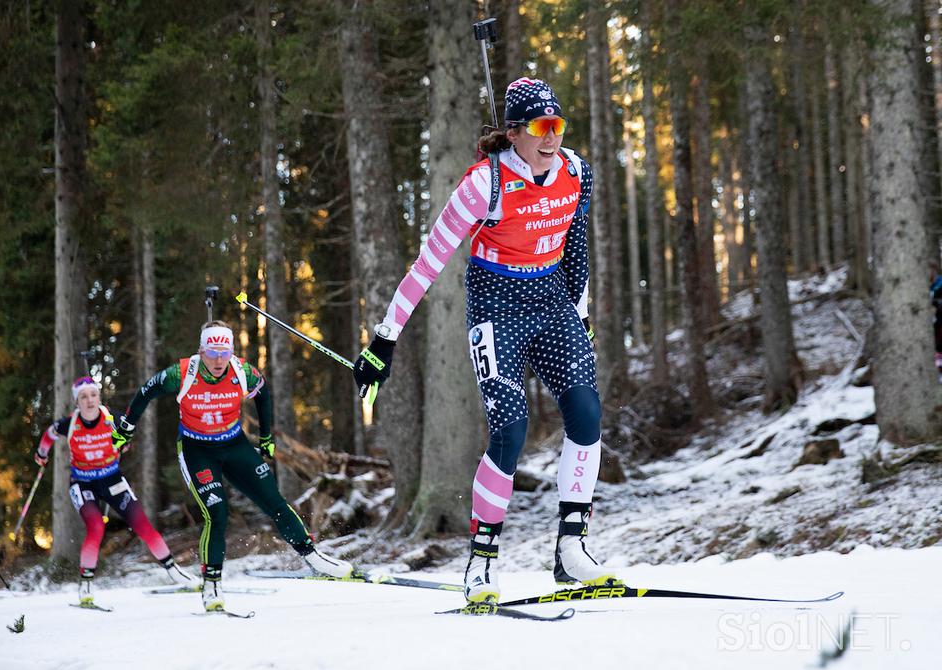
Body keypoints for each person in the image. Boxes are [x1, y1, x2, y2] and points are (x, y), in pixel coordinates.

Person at [353, 78, 611, 605]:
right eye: (539, 127)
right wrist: (385, 339)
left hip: (552, 299)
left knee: (586, 413)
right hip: (497, 305)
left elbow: (577, 248)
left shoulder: (577, 172)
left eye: (556, 126)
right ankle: (483, 561)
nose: (550, 138)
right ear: (514, 132)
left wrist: (580, 315)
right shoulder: (482, 185)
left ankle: (571, 548)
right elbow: (428, 263)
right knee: (510, 429)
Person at [113, 320, 353, 612]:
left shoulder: (243, 371)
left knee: (274, 501)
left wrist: (266, 438)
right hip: (196, 449)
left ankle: (314, 558)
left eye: (224, 352)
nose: (217, 360)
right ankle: (212, 584)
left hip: (234, 444)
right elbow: (145, 392)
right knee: (217, 513)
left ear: (231, 352)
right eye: (211, 352)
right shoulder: (182, 372)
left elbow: (264, 396)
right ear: (201, 350)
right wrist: (126, 426)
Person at [36, 376, 193, 606]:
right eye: (83, 397)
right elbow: (49, 434)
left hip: (111, 478)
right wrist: (41, 453)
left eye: (93, 395)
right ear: (77, 402)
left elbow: (129, 431)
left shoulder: (112, 418)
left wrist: (125, 442)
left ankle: (174, 571)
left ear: (99, 397)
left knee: (141, 523)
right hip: (83, 483)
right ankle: (86, 585)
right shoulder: (69, 423)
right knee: (96, 526)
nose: (89, 401)